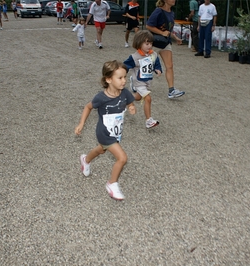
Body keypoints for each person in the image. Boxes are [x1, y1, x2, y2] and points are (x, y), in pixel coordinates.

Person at [75, 60, 136, 201]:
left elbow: (129, 101)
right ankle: (112, 184)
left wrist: (132, 107)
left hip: (116, 131)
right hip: (104, 132)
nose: (124, 81)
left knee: (102, 150)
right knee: (122, 158)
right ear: (108, 79)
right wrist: (81, 124)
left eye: (125, 77)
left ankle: (86, 159)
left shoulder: (124, 93)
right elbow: (88, 107)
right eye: (120, 78)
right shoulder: (101, 98)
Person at [146, 0, 185, 99]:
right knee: (147, 67)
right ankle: (135, 81)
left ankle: (171, 90)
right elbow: (148, 25)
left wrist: (175, 38)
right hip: (154, 43)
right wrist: (161, 33)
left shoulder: (171, 13)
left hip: (165, 43)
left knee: (169, 66)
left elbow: (168, 30)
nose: (174, 0)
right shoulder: (158, 11)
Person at [123, 30, 162, 129]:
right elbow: (125, 66)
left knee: (138, 97)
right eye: (147, 43)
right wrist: (121, 74)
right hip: (139, 82)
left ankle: (123, 98)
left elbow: (156, 62)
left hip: (147, 82)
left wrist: (158, 69)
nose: (149, 46)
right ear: (139, 43)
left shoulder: (153, 54)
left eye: (151, 43)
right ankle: (148, 120)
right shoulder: (134, 57)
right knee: (148, 98)